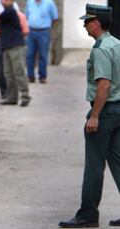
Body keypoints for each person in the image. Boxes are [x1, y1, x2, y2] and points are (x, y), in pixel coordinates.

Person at [59, 4, 120, 228]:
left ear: (96, 23)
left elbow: (104, 83)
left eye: (87, 22)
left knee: (94, 166)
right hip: (118, 110)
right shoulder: (117, 44)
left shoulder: (102, 48)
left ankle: (88, 214)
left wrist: (94, 116)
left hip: (104, 111)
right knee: (118, 162)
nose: (84, 26)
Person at [25, 0, 58, 84]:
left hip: (44, 32)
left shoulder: (49, 3)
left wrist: (46, 25)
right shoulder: (29, 2)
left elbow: (55, 18)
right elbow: (27, 16)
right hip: (31, 31)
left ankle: (42, 77)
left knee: (43, 55)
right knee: (29, 55)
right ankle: (30, 76)